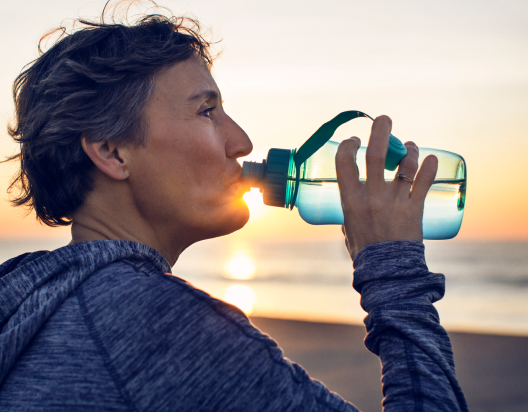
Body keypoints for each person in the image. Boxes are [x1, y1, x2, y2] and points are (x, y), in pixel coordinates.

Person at [0, 2, 468, 411]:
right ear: (112, 151)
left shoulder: (33, 301)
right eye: (207, 111)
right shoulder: (157, 324)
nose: (241, 142)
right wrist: (394, 272)